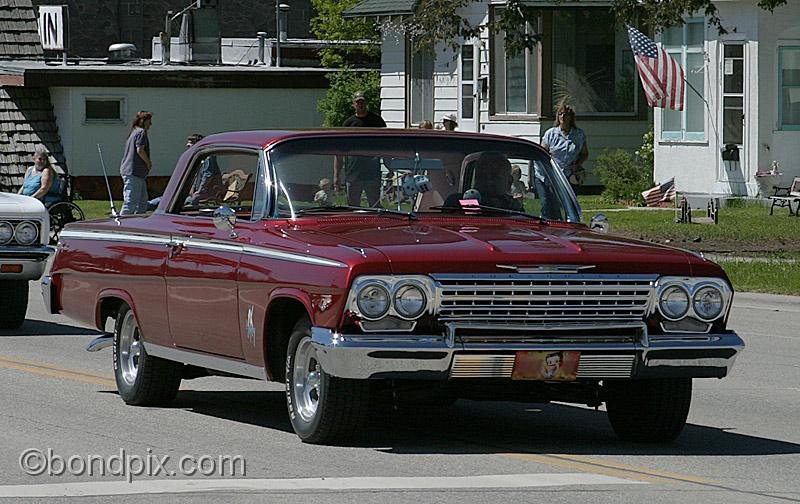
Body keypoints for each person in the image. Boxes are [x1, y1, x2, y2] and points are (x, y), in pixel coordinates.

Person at [335, 90, 387, 207]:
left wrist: (390, 167)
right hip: (353, 173)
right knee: (353, 207)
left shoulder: (377, 121)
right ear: (354, 104)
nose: (360, 105)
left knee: (375, 205)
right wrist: (336, 175)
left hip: (372, 172)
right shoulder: (348, 124)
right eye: (358, 102)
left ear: (366, 103)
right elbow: (339, 152)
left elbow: (385, 145)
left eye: (362, 102)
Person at [540, 104, 588, 193]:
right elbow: (542, 152)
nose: (563, 117)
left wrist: (577, 164)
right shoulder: (550, 134)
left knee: (569, 204)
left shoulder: (579, 134)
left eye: (565, 114)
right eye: (560, 114)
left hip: (570, 175)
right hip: (554, 174)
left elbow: (584, 153)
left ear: (571, 117)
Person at [119, 111, 153, 215]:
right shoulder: (141, 132)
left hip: (136, 172)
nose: (151, 124)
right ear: (144, 121)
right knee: (131, 202)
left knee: (142, 202)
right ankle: (122, 224)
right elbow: (140, 150)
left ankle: (138, 222)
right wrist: (148, 163)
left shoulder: (134, 132)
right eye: (149, 121)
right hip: (133, 171)